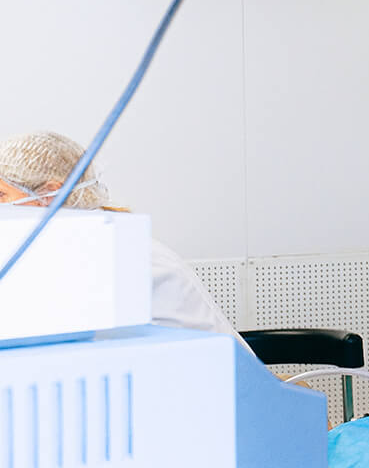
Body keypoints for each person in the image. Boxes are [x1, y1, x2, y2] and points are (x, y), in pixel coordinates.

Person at [0, 130, 240, 338]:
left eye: (1, 195)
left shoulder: (115, 252)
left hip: (217, 381)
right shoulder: (74, 242)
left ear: (50, 195)